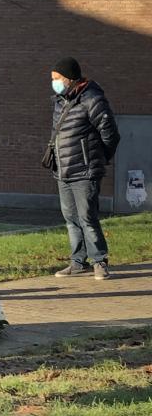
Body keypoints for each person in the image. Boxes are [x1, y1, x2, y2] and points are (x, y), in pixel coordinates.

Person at [49, 57, 120, 281]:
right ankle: (77, 262)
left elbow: (111, 135)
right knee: (71, 219)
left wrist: (98, 159)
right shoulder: (59, 101)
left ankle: (99, 261)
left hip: (85, 171)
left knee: (87, 217)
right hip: (63, 170)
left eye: (57, 79)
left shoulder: (93, 99)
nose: (54, 83)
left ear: (70, 79)